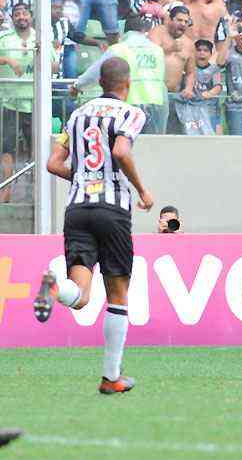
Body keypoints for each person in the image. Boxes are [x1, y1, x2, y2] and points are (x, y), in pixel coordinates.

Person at [36, 57, 154, 395]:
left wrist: (86, 178)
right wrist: (142, 190)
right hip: (111, 209)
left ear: (100, 83)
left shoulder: (75, 116)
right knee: (117, 295)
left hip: (77, 208)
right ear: (126, 84)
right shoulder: (131, 113)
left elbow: (52, 163)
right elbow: (121, 151)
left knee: (81, 295)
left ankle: (58, 286)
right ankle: (110, 377)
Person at [0, 4, 59, 203]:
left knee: (37, 149)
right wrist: (7, 60)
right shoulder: (5, 38)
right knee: (6, 149)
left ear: (31, 17)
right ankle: (5, 191)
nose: (21, 17)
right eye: (17, 14)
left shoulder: (41, 38)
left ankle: (37, 194)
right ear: (13, 18)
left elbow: (55, 66)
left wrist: (41, 55)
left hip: (35, 104)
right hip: (10, 103)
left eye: (24, 13)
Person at [73, 16, 168, 135]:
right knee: (153, 149)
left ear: (124, 31)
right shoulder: (157, 50)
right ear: (143, 31)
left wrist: (77, 86)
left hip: (130, 107)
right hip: (157, 106)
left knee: (127, 147)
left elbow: (94, 73)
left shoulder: (119, 49)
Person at [149, 5, 197, 134]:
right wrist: (170, 48)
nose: (183, 24)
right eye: (179, 20)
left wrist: (188, 88)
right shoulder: (157, 32)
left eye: (186, 22)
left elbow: (191, 72)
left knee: (174, 137)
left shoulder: (189, 44)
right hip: (155, 96)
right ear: (170, 19)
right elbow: (150, 56)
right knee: (155, 135)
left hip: (176, 97)